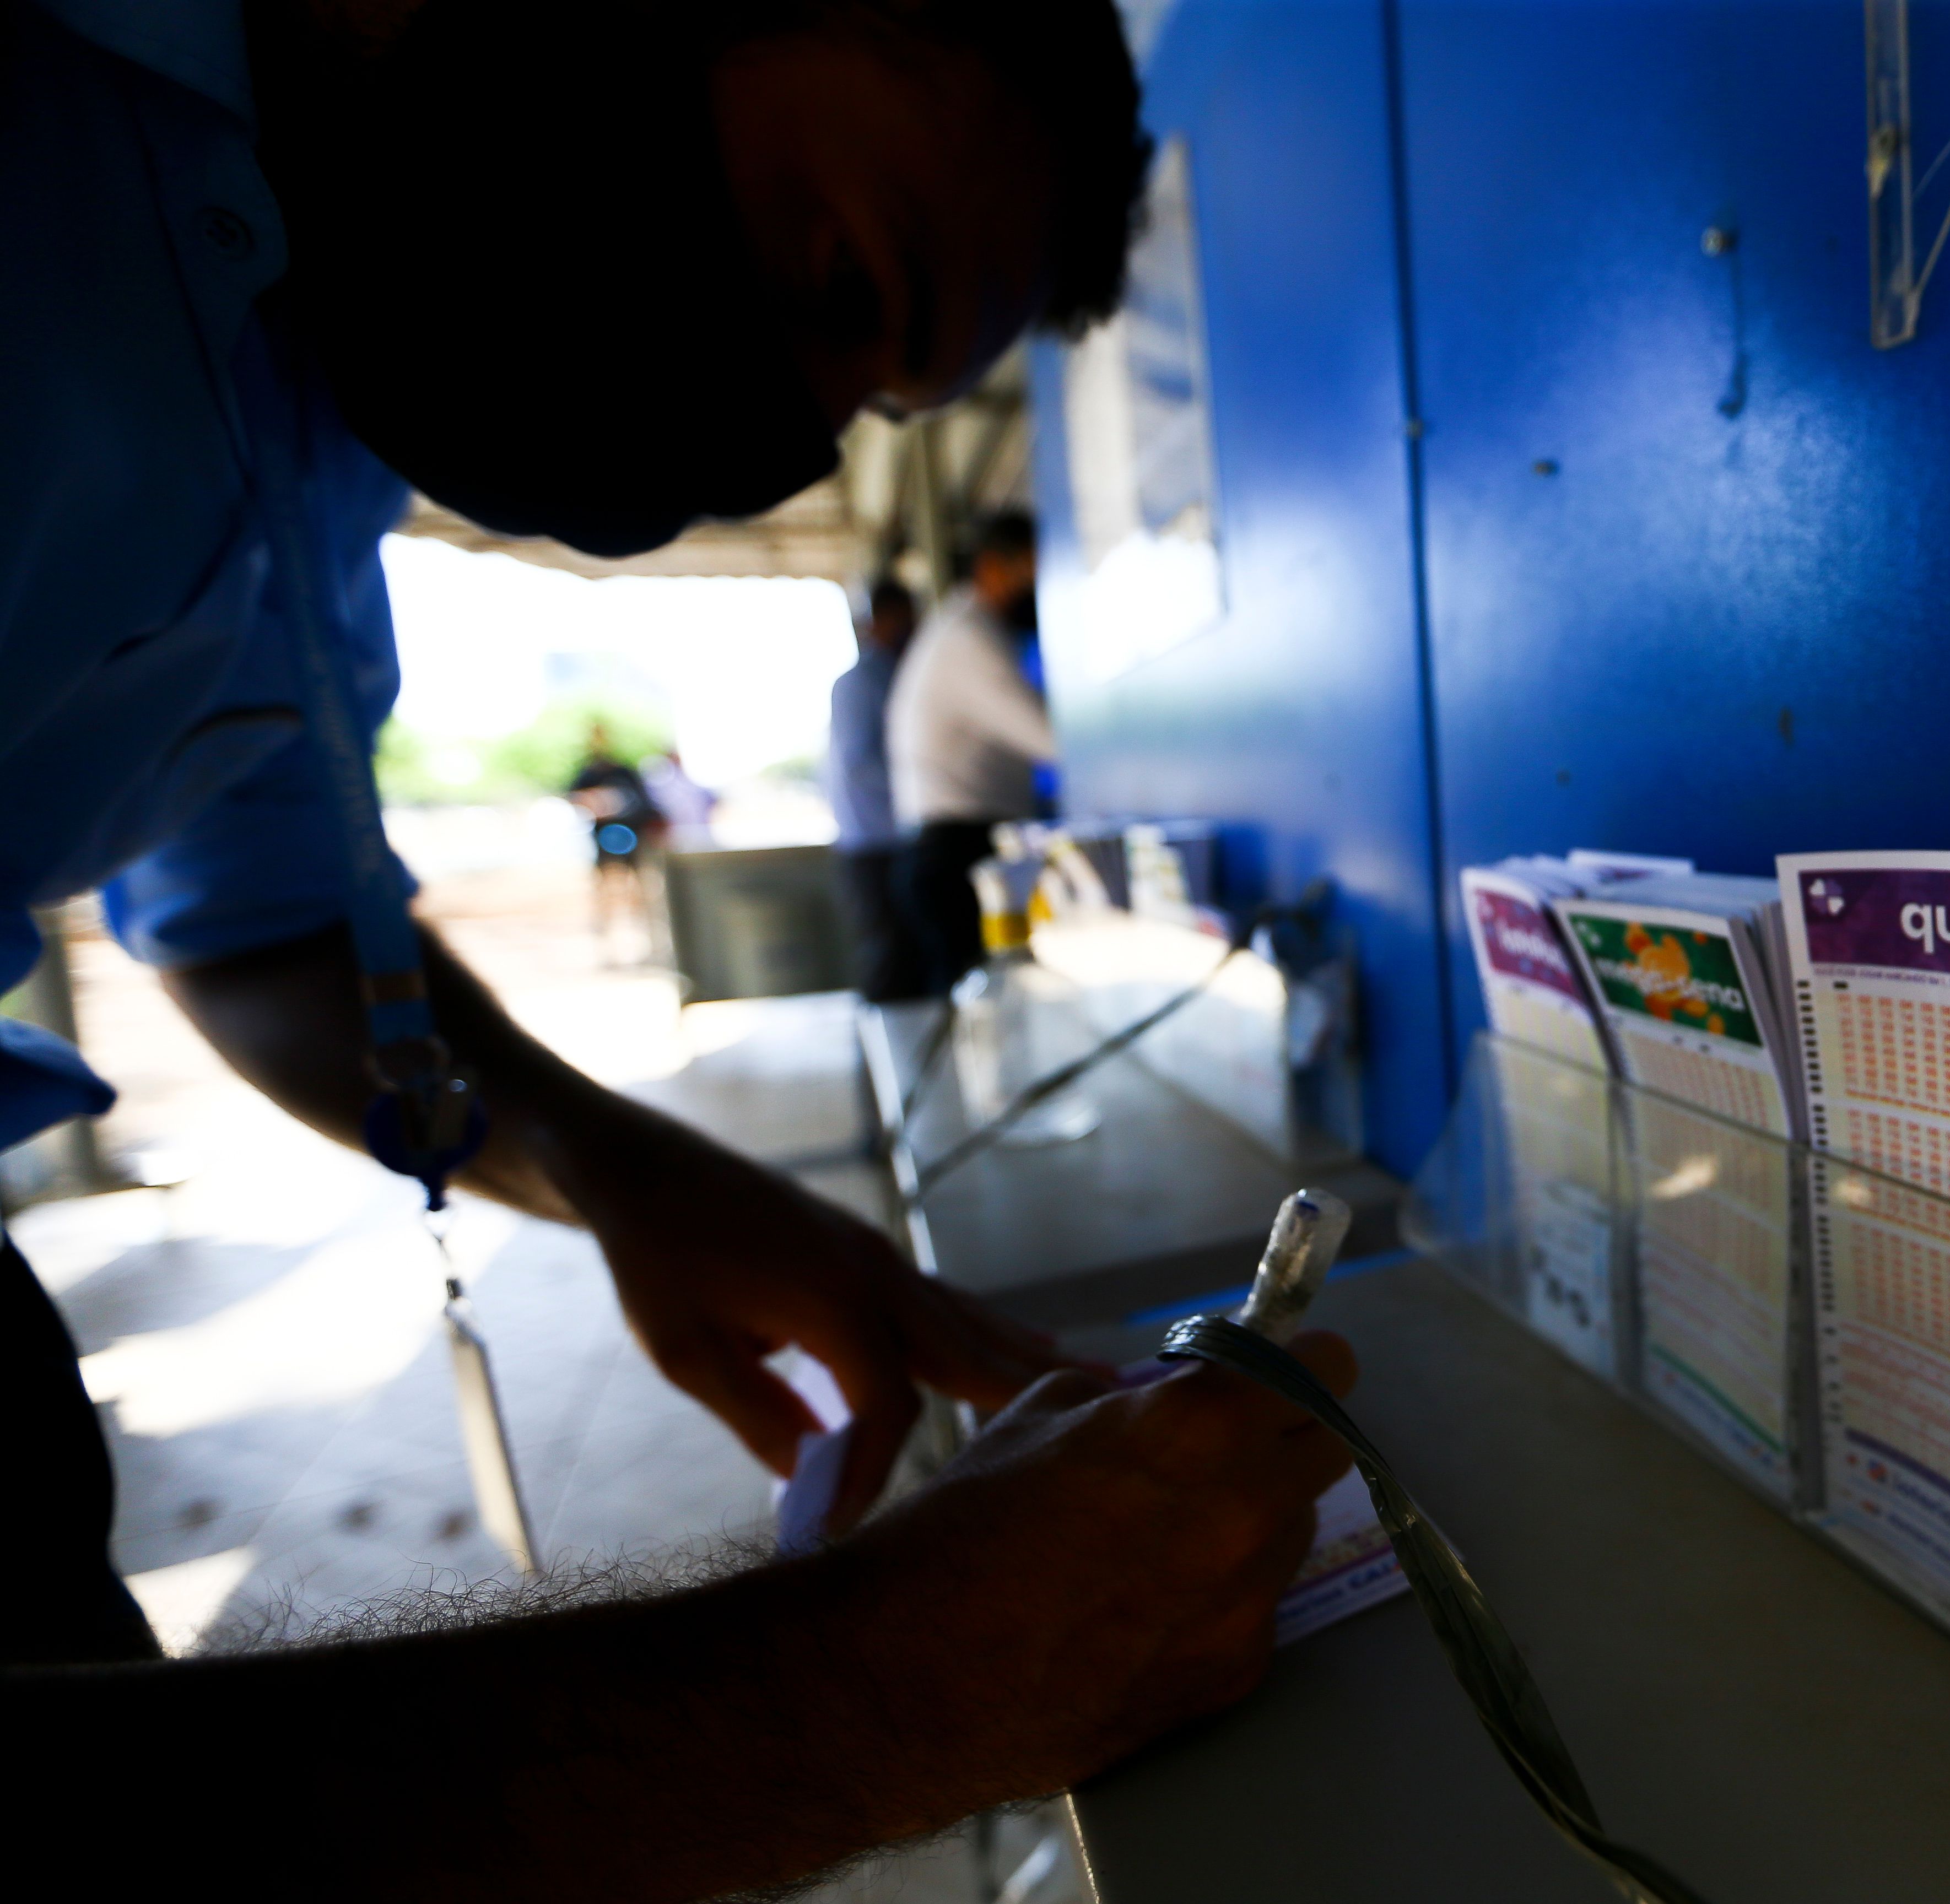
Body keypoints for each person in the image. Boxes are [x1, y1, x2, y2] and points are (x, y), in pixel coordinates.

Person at [0, 0, 1357, 1892]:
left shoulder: (302, 395)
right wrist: (867, 1686)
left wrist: (628, 1171)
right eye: (830, 271)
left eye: (855, 410)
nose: (767, 438)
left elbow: (269, 925)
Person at [891, 511, 1057, 991]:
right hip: (956, 856)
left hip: (957, 846)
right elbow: (1049, 740)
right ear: (992, 567)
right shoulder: (969, 638)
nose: (1036, 586)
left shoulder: (970, 630)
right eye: (1030, 570)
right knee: (986, 1016)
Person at [829, 577, 928, 1000]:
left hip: (881, 844)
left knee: (904, 960)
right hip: (877, 846)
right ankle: (885, 1063)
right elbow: (862, 764)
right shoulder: (865, 680)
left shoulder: (887, 673)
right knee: (891, 962)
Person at [565, 721, 666, 955]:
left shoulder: (624, 771)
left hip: (634, 842)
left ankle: (650, 945)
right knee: (606, 893)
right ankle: (608, 948)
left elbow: (646, 803)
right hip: (603, 842)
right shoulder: (586, 774)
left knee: (641, 893)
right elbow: (574, 799)